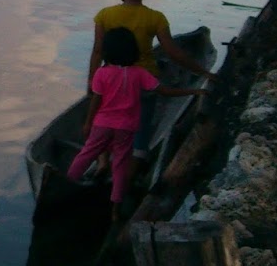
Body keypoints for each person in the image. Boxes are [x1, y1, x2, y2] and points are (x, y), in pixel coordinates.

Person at [87, 0, 212, 160]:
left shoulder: (104, 15)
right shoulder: (155, 18)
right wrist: (204, 72)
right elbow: (173, 53)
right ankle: (135, 160)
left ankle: (103, 162)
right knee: (141, 128)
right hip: (144, 82)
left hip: (112, 82)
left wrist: (92, 83)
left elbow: (97, 52)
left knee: (105, 120)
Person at [67, 28, 200, 206]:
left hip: (102, 124)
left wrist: (88, 123)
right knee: (121, 163)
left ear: (107, 52)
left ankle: (68, 183)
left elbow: (95, 101)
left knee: (86, 154)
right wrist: (195, 90)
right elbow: (164, 91)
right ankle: (115, 204)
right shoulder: (140, 73)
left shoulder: (101, 73)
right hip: (126, 127)